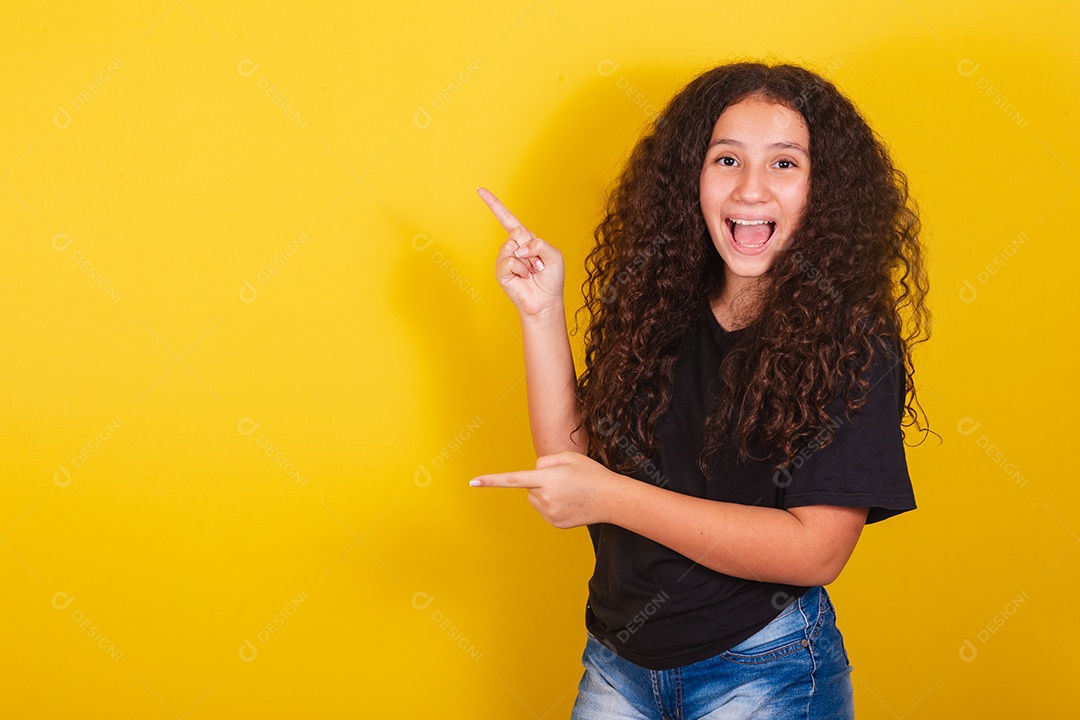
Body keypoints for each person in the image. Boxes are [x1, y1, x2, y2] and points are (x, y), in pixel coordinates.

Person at [469, 61, 930, 719]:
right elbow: (572, 462)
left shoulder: (851, 338)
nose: (749, 189)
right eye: (726, 159)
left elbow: (817, 551)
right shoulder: (658, 306)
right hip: (618, 661)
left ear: (824, 189)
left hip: (763, 670)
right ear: (693, 177)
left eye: (784, 164)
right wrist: (540, 312)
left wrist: (613, 497)